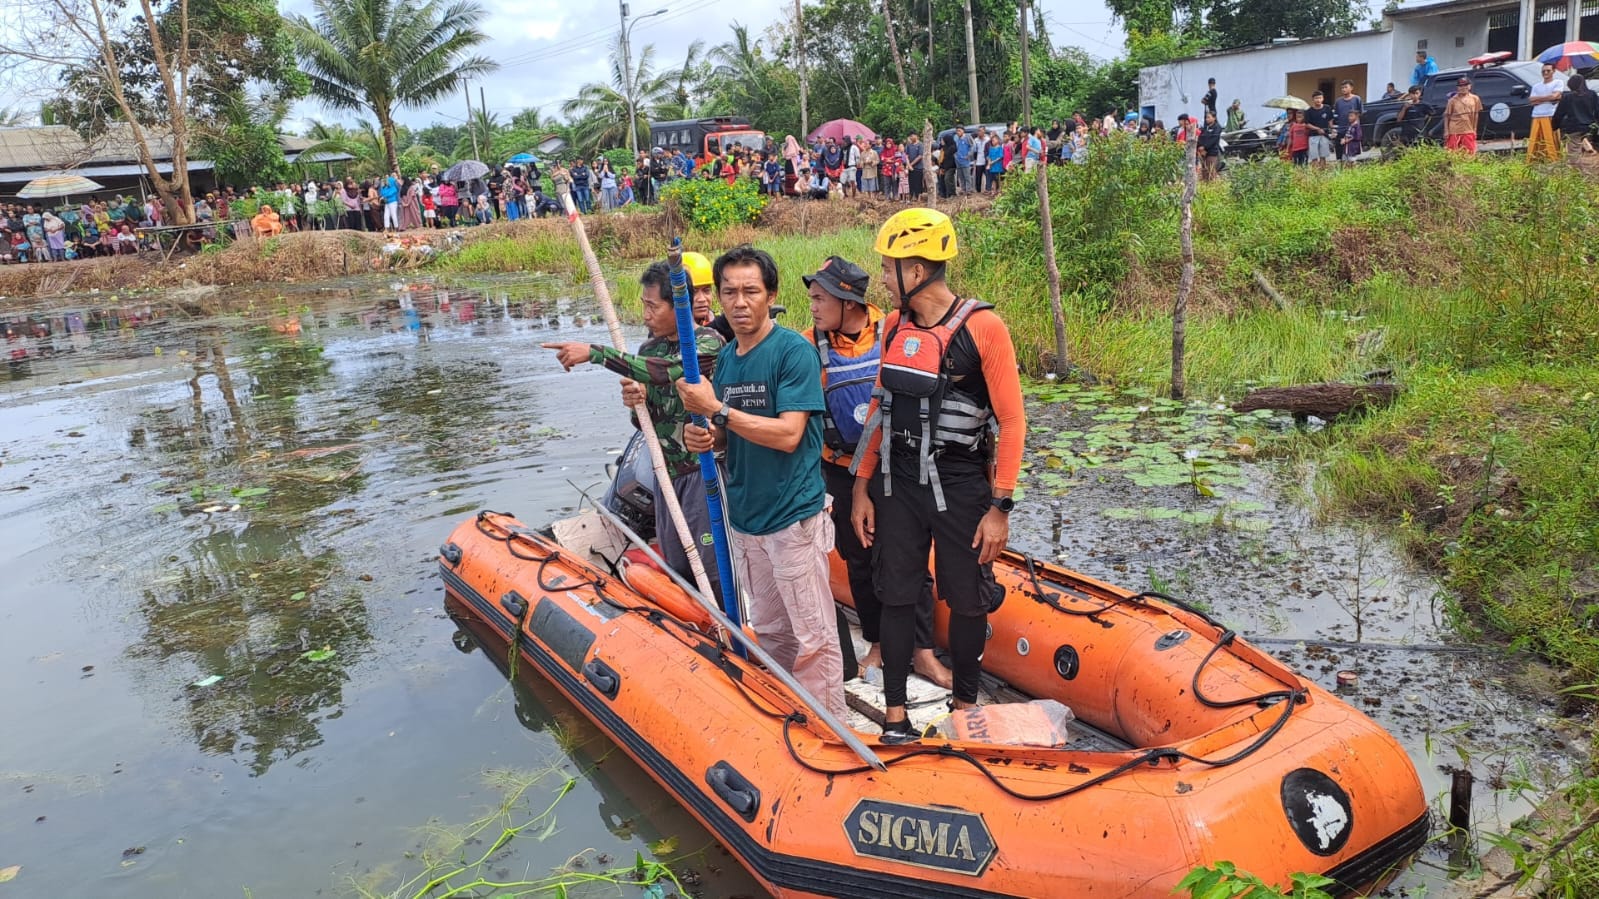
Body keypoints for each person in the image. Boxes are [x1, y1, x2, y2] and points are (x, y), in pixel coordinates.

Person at [850, 208, 1025, 743]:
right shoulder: (897, 327)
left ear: (919, 269)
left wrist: (1000, 510)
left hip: (961, 483)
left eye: (888, 267)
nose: (882, 276)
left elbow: (1013, 421)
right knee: (898, 594)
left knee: (968, 597)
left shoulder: (984, 328)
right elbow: (881, 406)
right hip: (899, 482)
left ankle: (965, 706)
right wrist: (862, 486)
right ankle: (897, 716)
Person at [675, 245, 847, 722]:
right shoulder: (727, 359)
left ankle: (830, 726)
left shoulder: (794, 351)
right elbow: (727, 434)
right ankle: (787, 712)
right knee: (771, 630)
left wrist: (718, 411)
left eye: (751, 291)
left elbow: (790, 435)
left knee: (814, 636)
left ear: (771, 295)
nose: (739, 302)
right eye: (729, 292)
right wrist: (704, 435)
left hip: (792, 516)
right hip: (747, 516)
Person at [800, 256, 952, 689]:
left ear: (849, 301)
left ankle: (922, 651)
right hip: (843, 472)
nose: (811, 305)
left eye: (819, 297)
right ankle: (879, 643)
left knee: (911, 559)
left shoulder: (895, 331)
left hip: (899, 469)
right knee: (860, 559)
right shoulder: (808, 344)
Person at [543, 261, 726, 602]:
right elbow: (646, 421)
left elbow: (664, 372)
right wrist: (635, 402)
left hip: (703, 471)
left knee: (711, 564)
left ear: (678, 307)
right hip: (666, 474)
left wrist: (595, 353)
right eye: (643, 305)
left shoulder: (707, 342)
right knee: (676, 560)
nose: (645, 314)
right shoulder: (649, 350)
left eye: (653, 306)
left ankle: (731, 630)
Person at [1552, 74, 1599, 161]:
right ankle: (1589, 169)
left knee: (1574, 153)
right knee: (1587, 151)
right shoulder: (1592, 94)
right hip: (1590, 127)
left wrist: (1554, 126)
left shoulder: (1567, 97)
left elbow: (1559, 114)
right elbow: (1597, 111)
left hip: (1574, 128)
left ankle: (1576, 172)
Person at [1528, 64, 1565, 164]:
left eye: (1548, 70)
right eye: (1543, 71)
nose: (1545, 73)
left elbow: (1555, 96)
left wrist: (1539, 99)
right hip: (1537, 115)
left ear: (1553, 71)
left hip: (1550, 114)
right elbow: (1531, 100)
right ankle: (1534, 160)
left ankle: (1554, 160)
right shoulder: (1536, 86)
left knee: (1551, 139)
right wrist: (1548, 98)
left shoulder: (1558, 82)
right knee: (1535, 140)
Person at [1444, 77, 1483, 155]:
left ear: (1469, 86)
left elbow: (1476, 114)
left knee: (1470, 153)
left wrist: (1474, 129)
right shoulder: (1452, 100)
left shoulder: (1475, 98)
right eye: (1460, 86)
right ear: (1457, 87)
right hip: (1454, 131)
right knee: (1453, 153)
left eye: (1465, 85)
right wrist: (1446, 131)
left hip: (1468, 130)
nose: (1463, 88)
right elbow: (1447, 116)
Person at [1304, 91, 1338, 167]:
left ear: (1323, 98)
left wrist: (1333, 130)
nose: (1318, 100)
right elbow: (1307, 124)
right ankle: (1315, 175)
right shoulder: (1309, 111)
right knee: (1314, 157)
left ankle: (1322, 173)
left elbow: (1330, 121)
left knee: (1323, 156)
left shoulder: (1327, 108)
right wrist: (1317, 129)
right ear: (1313, 99)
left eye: (1320, 98)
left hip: (1324, 135)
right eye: (1316, 98)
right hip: (1313, 136)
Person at [1333, 80, 1364, 161]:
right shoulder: (1338, 101)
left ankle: (1351, 170)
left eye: (1345, 87)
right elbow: (1336, 116)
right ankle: (1340, 169)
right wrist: (1334, 130)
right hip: (1341, 129)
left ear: (1351, 88)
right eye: (1342, 88)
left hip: (1352, 130)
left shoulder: (1357, 99)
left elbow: (1360, 113)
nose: (1343, 89)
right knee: (1340, 153)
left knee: (1351, 154)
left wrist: (1355, 125)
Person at [1198, 110, 1222, 180]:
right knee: (1204, 170)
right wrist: (1200, 146)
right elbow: (1201, 137)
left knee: (1210, 171)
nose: (1207, 119)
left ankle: (1213, 186)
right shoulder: (1205, 127)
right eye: (1206, 118)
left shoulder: (1217, 127)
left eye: (1208, 117)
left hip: (1212, 152)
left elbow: (1213, 140)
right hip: (1203, 152)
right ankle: (1205, 186)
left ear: (1214, 118)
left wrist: (1204, 147)